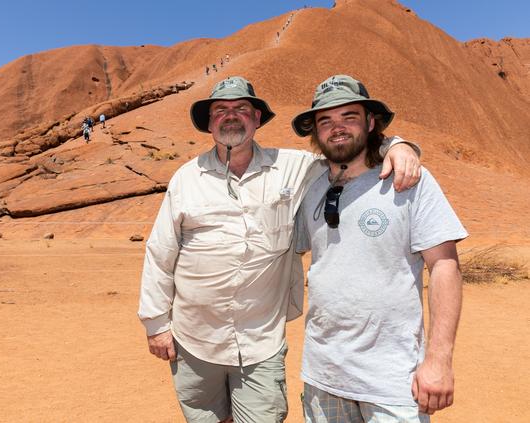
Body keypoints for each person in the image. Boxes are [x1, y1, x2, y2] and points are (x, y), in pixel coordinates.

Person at [138, 76, 421, 423]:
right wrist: (156, 324)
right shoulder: (186, 177)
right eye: (221, 110)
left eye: (242, 108)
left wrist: (398, 145)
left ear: (257, 118)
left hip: (260, 341)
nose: (231, 116)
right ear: (210, 122)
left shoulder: (293, 167)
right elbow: (160, 252)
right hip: (194, 339)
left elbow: (347, 149)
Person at [292, 74, 467, 422]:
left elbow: (445, 265)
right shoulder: (309, 185)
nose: (337, 128)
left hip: (392, 382)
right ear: (316, 132)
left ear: (371, 123)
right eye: (325, 121)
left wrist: (439, 360)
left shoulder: (410, 180)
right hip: (322, 376)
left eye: (349, 117)